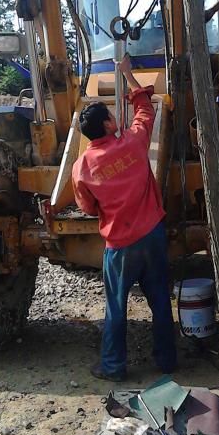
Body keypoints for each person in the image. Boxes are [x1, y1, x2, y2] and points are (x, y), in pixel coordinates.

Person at [72, 54, 176, 381]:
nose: (116, 115)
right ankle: (167, 361)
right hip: (153, 236)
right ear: (107, 124)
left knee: (116, 307)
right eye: (112, 114)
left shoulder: (82, 168)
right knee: (160, 299)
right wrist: (129, 75)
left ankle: (114, 365)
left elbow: (87, 208)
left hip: (119, 246)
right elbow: (146, 110)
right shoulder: (133, 142)